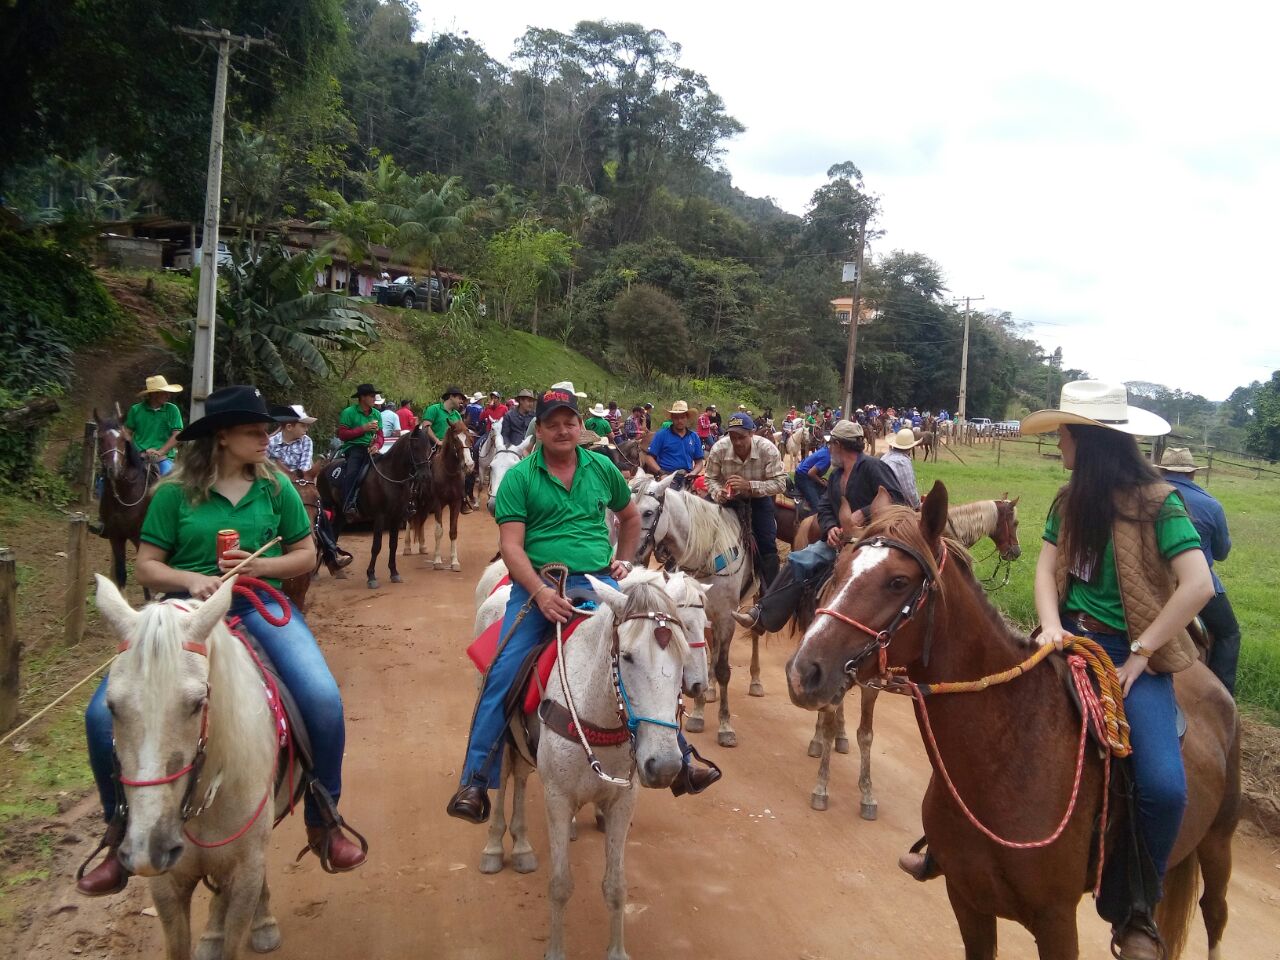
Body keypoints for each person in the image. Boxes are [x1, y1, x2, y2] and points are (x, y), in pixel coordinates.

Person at [894, 380, 1210, 960]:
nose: (1058, 443)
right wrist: (1051, 626)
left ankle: (1137, 910)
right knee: (984, 724)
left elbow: (1198, 585)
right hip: (1066, 640)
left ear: (1088, 440)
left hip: (1134, 655)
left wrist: (1141, 655)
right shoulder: (1069, 502)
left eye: (1063, 433)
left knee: (1163, 786)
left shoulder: (1160, 503)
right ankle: (951, 844)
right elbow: (1047, 571)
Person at [77, 386, 366, 897]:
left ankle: (324, 815)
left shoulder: (275, 487)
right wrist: (190, 580)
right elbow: (147, 565)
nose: (267, 437)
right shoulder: (172, 493)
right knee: (102, 715)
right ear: (222, 436)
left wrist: (260, 566)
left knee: (323, 698)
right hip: (183, 616)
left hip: (258, 607)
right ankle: (119, 829)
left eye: (268, 430)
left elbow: (303, 555)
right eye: (256, 431)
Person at [446, 386, 719, 823]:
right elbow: (511, 546)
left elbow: (630, 517)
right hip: (539, 585)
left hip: (599, 583)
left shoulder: (602, 468)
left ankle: (680, 755)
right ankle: (476, 779)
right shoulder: (520, 477)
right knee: (503, 671)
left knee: (650, 650)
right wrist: (538, 592)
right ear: (540, 429)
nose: (561, 430)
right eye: (552, 423)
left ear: (580, 426)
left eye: (568, 422)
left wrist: (627, 564)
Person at [734, 420, 906, 633]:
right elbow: (824, 507)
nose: (829, 449)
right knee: (798, 559)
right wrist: (831, 528)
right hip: (840, 542)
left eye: (831, 444)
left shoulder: (872, 466)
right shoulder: (835, 476)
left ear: (839, 445)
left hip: (873, 542)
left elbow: (898, 499)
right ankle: (764, 615)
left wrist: (864, 512)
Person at [1158, 447, 1240, 695]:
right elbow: (1222, 552)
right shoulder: (1211, 505)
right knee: (1229, 632)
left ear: (1162, 470)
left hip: (1151, 580)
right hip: (1195, 583)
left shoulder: (1145, 496)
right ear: (1192, 473)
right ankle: (1222, 694)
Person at [704, 413, 787, 587]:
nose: (737, 442)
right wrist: (719, 493)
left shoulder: (768, 450)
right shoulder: (719, 448)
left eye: (741, 437)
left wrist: (749, 486)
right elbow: (710, 478)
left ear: (752, 433)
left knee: (767, 544)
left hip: (757, 500)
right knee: (700, 532)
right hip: (726, 500)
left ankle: (771, 594)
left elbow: (780, 484)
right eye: (733, 437)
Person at [269, 404, 353, 574]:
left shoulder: (306, 442)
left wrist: (294, 478)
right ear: (289, 426)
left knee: (318, 510)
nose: (306, 429)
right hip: (274, 483)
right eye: (303, 425)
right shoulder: (269, 443)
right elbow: (264, 468)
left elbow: (305, 467)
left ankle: (331, 554)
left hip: (300, 481)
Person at [335, 383, 381, 519]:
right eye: (372, 396)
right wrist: (363, 429)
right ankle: (348, 504)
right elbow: (342, 435)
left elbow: (381, 435)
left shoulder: (377, 414)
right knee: (352, 472)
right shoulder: (348, 413)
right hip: (354, 448)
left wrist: (377, 445)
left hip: (371, 448)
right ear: (362, 397)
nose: (375, 398)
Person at [123, 375, 185, 477]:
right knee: (115, 477)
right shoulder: (136, 410)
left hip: (163, 458)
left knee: (170, 484)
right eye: (164, 392)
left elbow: (177, 435)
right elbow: (127, 434)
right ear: (154, 394)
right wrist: (140, 451)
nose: (168, 395)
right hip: (138, 456)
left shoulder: (172, 410)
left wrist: (160, 452)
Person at [642, 401, 705, 481]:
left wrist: (694, 472)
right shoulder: (661, 435)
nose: (679, 421)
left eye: (682, 417)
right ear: (672, 418)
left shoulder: (694, 436)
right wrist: (661, 472)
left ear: (687, 418)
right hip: (666, 476)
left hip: (686, 476)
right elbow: (649, 457)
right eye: (676, 418)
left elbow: (699, 461)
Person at [880, 427, 922, 508]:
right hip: (895, 507)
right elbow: (909, 491)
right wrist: (917, 506)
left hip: (881, 502)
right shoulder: (903, 462)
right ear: (910, 447)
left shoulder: (886, 456)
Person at [794, 440, 831, 513]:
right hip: (803, 478)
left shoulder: (825, 450)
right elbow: (811, 473)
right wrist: (822, 482)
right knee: (817, 507)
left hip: (803, 474)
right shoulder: (827, 457)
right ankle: (808, 522)